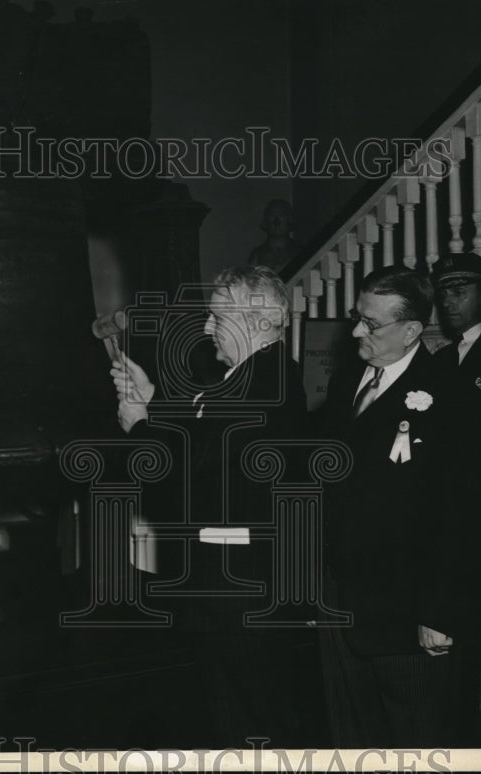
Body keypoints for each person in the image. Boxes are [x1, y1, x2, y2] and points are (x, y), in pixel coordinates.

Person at [110, 265, 309, 747]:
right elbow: (207, 437)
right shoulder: (249, 375)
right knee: (235, 711)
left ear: (261, 319)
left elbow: (196, 462)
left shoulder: (267, 380)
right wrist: (152, 400)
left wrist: (140, 425)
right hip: (224, 575)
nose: (206, 327)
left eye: (218, 316)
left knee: (251, 716)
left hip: (238, 579)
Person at [318, 265, 462, 748]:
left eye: (372, 324)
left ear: (412, 331)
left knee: (418, 740)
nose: (357, 330)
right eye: (357, 317)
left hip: (406, 616)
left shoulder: (446, 393)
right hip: (341, 604)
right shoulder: (348, 380)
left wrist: (439, 612)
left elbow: (454, 513)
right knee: (354, 739)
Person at [430, 251, 481, 745]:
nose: (449, 300)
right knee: (456, 666)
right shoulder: (443, 359)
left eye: (460, 289)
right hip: (452, 529)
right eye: (442, 291)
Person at [246, 198, 300, 273]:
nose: (276, 220)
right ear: (266, 220)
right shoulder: (257, 255)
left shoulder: (299, 252)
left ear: (289, 219)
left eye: (281, 214)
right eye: (272, 214)